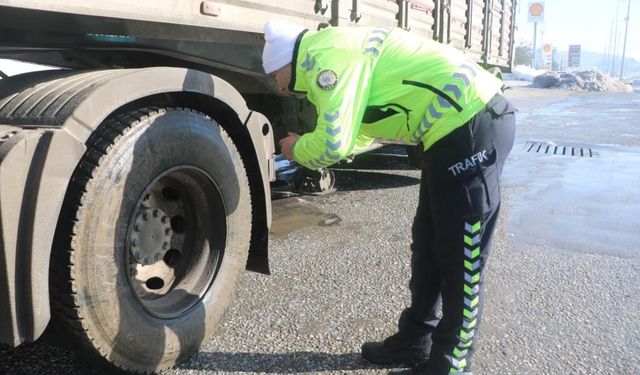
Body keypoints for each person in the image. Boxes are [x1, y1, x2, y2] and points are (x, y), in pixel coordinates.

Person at [262, 20, 516, 375]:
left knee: (462, 254)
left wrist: (298, 148)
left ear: (287, 61)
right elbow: (356, 133)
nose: (278, 85)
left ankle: (451, 363)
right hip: (447, 133)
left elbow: (334, 142)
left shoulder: (325, 60)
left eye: (275, 74)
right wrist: (310, 145)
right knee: (427, 243)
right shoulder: (328, 51)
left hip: (472, 123)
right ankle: (415, 340)